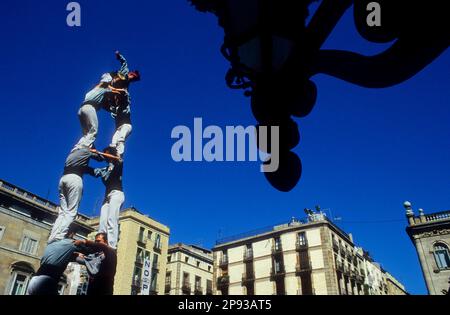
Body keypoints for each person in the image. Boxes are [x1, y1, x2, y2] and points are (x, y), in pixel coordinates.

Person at [48, 146, 104, 243]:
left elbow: (88, 170)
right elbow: (100, 158)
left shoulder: (73, 154)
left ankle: (53, 236)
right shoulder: (85, 150)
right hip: (74, 179)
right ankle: (60, 236)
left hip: (63, 179)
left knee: (62, 212)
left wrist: (98, 172)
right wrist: (95, 151)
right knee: (71, 212)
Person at [75, 57, 129, 150]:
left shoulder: (94, 90)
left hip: (80, 110)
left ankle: (78, 148)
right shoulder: (104, 87)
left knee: (86, 133)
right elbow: (112, 88)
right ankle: (84, 146)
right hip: (89, 108)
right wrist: (122, 90)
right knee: (93, 130)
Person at [27, 224, 88, 295]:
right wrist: (84, 242)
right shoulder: (71, 243)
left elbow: (63, 256)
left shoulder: (52, 244)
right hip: (46, 281)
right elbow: (89, 251)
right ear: (72, 233)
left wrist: (76, 255)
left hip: (33, 281)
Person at [108, 51, 141, 158]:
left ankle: (118, 150)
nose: (131, 77)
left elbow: (124, 97)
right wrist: (119, 56)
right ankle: (113, 148)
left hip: (126, 125)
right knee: (114, 138)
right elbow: (124, 62)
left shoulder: (125, 86)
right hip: (120, 124)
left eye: (133, 77)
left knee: (120, 138)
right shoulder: (124, 72)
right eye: (132, 75)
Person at [96, 151, 124, 250]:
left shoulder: (118, 164)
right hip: (107, 197)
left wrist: (98, 152)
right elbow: (93, 171)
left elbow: (118, 159)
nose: (105, 156)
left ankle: (112, 246)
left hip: (116, 193)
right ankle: (101, 242)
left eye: (106, 154)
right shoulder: (104, 170)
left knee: (112, 219)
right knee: (103, 221)